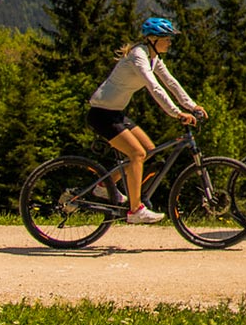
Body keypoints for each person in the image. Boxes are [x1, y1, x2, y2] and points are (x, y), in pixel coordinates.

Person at [86, 16, 203, 224]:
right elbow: (154, 86)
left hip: (116, 113)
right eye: (166, 38)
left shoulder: (153, 57)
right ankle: (135, 210)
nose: (170, 42)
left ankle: (104, 187)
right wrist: (177, 113)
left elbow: (171, 82)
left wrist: (192, 106)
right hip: (101, 114)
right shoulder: (138, 56)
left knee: (149, 150)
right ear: (153, 39)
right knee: (137, 153)